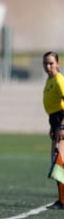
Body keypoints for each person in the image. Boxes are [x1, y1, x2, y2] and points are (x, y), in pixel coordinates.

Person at [43, 51, 64, 209]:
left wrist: (62, 126)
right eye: (45, 63)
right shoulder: (49, 80)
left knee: (59, 162)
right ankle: (61, 200)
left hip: (61, 123)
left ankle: (63, 201)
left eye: (51, 63)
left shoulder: (58, 80)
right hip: (55, 123)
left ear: (58, 63)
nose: (48, 66)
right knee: (57, 162)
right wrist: (53, 126)